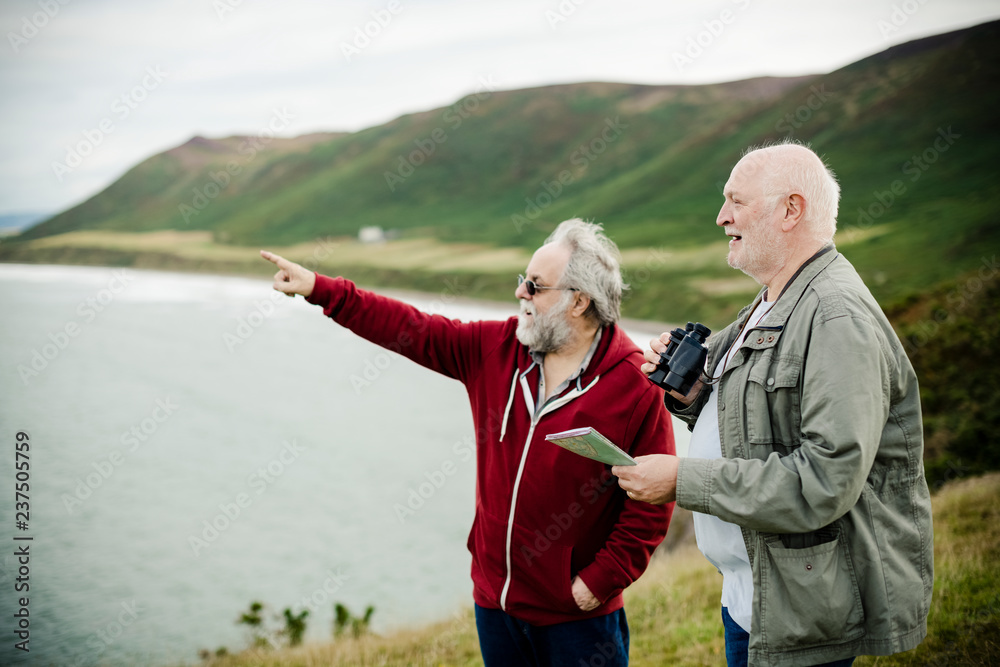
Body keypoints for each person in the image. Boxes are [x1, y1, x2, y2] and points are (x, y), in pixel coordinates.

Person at [261, 219, 675, 667]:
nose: (521, 294)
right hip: (494, 605)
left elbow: (653, 501)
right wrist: (322, 289)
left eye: (535, 286)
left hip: (577, 620)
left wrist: (597, 582)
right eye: (523, 281)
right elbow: (412, 328)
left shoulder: (635, 385)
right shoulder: (495, 349)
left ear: (578, 301)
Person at [613, 142, 933, 666]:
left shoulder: (834, 317)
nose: (721, 217)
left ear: (791, 210)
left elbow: (827, 480)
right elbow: (762, 422)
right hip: (758, 594)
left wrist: (681, 480)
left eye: (736, 201)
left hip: (803, 605)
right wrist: (693, 396)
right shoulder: (772, 301)